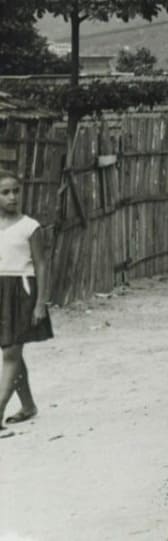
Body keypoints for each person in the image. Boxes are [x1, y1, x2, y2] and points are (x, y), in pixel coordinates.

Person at [0, 170, 53, 436]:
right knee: (11, 350)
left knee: (10, 353)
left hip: (21, 292)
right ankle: (29, 405)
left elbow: (41, 265)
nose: (11, 197)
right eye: (5, 192)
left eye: (15, 191)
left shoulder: (30, 227)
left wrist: (40, 303)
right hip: (0, 291)